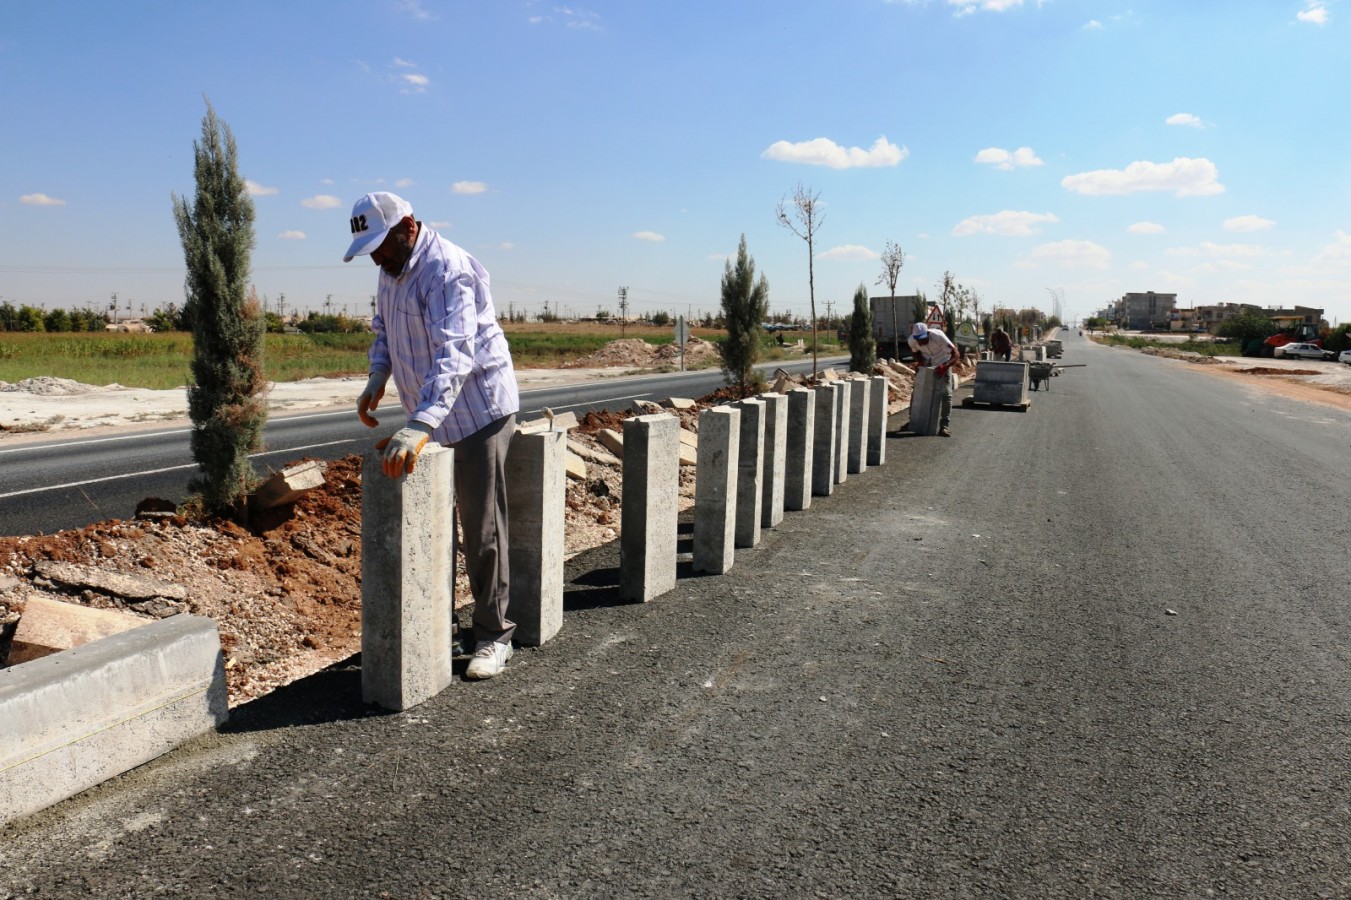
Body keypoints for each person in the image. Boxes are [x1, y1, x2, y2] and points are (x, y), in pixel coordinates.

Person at [344, 192, 521, 680]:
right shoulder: (390, 269)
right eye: (370, 250)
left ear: (409, 226)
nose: (377, 257)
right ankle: (438, 625)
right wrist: (378, 375)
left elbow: (455, 354)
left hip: (477, 410)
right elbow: (383, 330)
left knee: (480, 528)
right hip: (430, 413)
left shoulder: (448, 270)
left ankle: (494, 635)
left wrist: (420, 425)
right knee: (432, 523)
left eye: (382, 245)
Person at [907, 322, 957, 437]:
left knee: (946, 394)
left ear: (928, 333)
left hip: (944, 362)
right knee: (917, 392)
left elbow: (956, 354)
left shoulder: (939, 336)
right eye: (918, 339)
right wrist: (921, 363)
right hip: (927, 363)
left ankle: (944, 426)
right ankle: (912, 421)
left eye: (922, 339)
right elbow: (915, 352)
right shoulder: (912, 340)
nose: (920, 342)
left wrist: (945, 366)